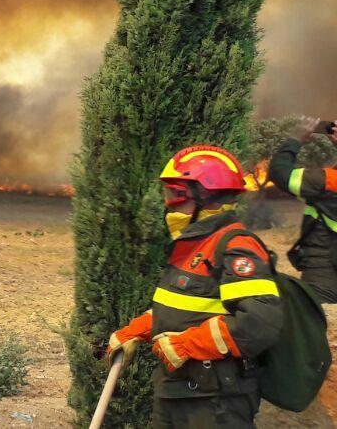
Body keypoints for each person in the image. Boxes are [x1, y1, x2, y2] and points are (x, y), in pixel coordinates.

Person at [105, 145, 284, 428]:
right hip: (176, 389)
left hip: (216, 401)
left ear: (205, 195)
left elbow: (260, 323)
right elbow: (188, 306)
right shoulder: (192, 245)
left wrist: (187, 344)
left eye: (176, 194)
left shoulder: (236, 246)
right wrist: (139, 329)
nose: (168, 204)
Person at [267, 114, 337, 303]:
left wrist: (296, 138)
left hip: (324, 271)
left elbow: (279, 172)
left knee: (313, 314)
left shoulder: (327, 181)